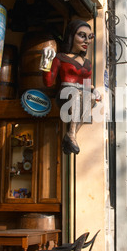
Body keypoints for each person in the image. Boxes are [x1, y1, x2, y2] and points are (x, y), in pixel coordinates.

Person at [42, 19, 100, 154]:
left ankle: (71, 135)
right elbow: (48, 82)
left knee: (89, 97)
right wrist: (45, 62)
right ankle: (70, 136)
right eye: (82, 36)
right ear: (71, 35)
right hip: (65, 94)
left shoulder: (88, 63)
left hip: (81, 96)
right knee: (75, 94)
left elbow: (87, 84)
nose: (87, 41)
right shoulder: (60, 58)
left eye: (90, 37)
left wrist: (94, 90)